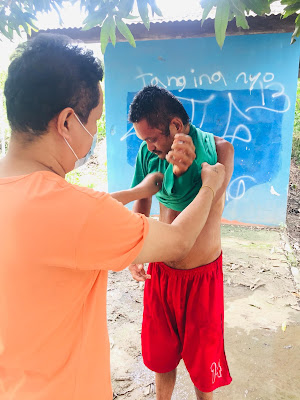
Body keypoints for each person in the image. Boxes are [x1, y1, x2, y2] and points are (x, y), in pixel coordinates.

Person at [0, 34, 225, 400]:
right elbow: (178, 240)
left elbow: (96, 206)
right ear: (68, 122)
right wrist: (209, 186)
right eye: (95, 122)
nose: (94, 136)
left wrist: (143, 191)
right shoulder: (77, 211)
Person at [128, 85, 234, 400]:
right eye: (143, 140)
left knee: (204, 363)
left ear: (175, 126)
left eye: (151, 138)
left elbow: (203, 201)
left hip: (202, 279)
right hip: (162, 273)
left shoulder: (220, 153)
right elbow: (143, 200)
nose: (147, 146)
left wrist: (179, 172)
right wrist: (137, 251)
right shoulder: (149, 154)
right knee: (161, 354)